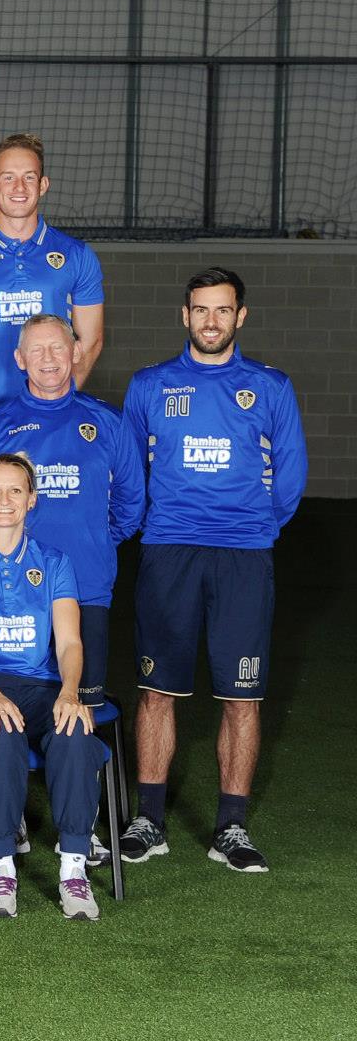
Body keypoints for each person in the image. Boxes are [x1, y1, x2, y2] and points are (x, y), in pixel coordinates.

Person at [121, 268, 307, 872]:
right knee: (156, 690)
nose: (210, 321)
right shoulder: (150, 386)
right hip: (170, 552)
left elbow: (291, 480)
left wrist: (251, 526)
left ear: (240, 317)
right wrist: (161, 525)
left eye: (222, 311)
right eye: (200, 309)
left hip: (244, 557)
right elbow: (130, 474)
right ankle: (148, 820)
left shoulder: (271, 387)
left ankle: (231, 827)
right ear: (184, 315)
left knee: (242, 697)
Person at [0, 454, 106, 920]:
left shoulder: (54, 562)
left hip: (44, 684)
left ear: (31, 500)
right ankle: (1, 865)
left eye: (15, 491)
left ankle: (73, 867)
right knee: (3, 734)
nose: (4, 500)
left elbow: (69, 641)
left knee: (74, 731)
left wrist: (71, 691)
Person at [0, 314, 143, 704]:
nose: (48, 358)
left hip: (85, 585)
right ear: (19, 358)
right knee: (5, 706)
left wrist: (91, 538)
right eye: (37, 349)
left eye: (58, 346)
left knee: (80, 706)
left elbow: (131, 503)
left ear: (76, 352)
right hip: (5, 591)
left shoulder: (108, 422)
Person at [0, 133, 105, 413]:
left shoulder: (77, 255)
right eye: (8, 177)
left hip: (55, 410)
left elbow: (91, 341)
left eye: (29, 177)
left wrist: (58, 396)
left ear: (43, 184)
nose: (19, 187)